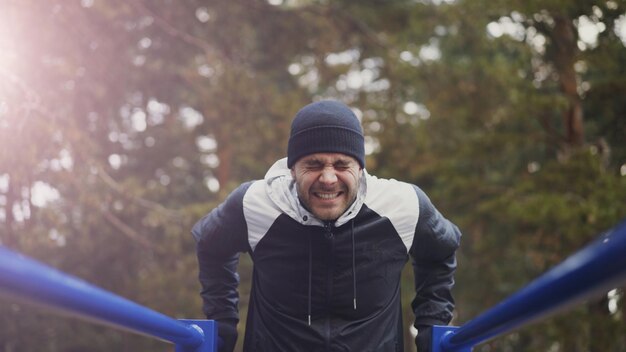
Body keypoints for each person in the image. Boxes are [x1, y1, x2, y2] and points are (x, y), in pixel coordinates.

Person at [192, 100, 462, 352]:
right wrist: (222, 328)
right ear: (292, 169)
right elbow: (210, 244)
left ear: (360, 168)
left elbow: (441, 251)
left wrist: (431, 331)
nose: (329, 178)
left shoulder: (402, 205)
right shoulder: (255, 203)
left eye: (342, 164)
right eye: (314, 164)